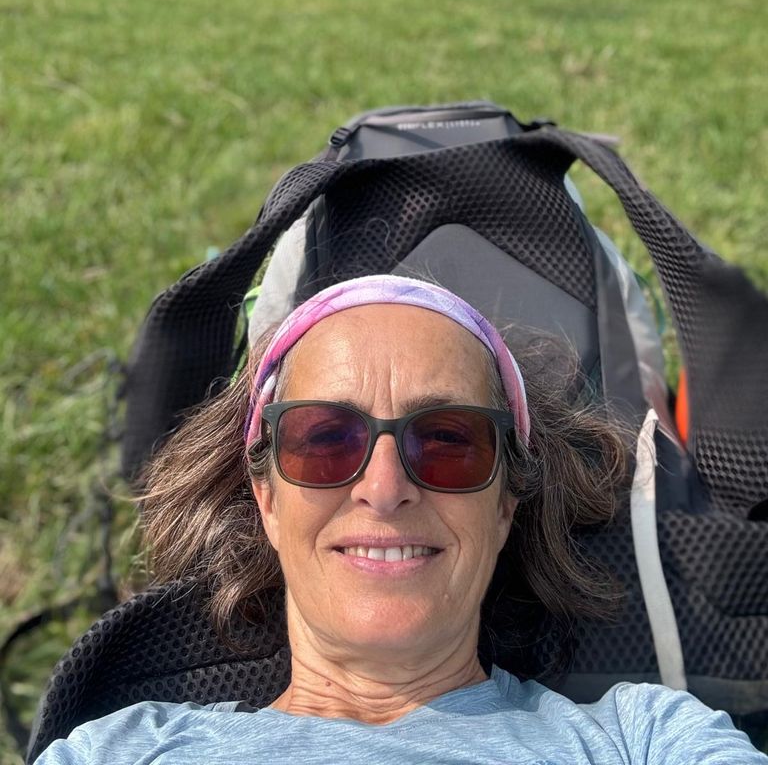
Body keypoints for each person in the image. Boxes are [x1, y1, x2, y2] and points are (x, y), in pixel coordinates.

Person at [34, 275, 767, 763]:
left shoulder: (644, 741)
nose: (384, 489)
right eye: (325, 440)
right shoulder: (119, 751)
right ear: (266, 497)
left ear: (508, 499)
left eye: (448, 442)